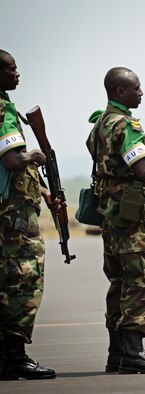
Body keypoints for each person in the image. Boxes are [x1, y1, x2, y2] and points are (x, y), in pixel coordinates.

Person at [86, 67, 145, 374]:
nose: (141, 93)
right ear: (120, 92)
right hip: (135, 218)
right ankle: (133, 351)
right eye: (136, 88)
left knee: (119, 281)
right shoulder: (125, 125)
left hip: (112, 215)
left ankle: (118, 351)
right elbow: (141, 168)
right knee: (144, 280)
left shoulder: (100, 125)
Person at [0, 49, 58, 380]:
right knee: (23, 279)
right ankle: (15, 356)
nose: (17, 74)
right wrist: (33, 157)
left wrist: (45, 191)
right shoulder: (4, 110)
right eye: (10, 69)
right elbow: (11, 161)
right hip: (14, 218)